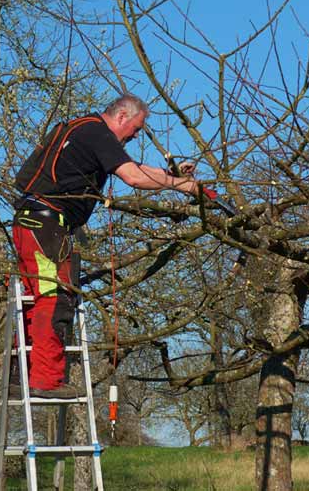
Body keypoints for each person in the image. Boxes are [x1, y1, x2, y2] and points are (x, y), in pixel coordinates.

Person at [11, 94, 203, 398]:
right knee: (54, 297)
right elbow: (133, 177)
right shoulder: (98, 132)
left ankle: (20, 378)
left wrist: (171, 176)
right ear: (123, 117)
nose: (136, 135)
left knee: (36, 297)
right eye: (136, 129)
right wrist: (182, 186)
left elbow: (136, 166)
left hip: (36, 224)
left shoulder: (83, 128)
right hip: (47, 228)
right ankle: (44, 381)